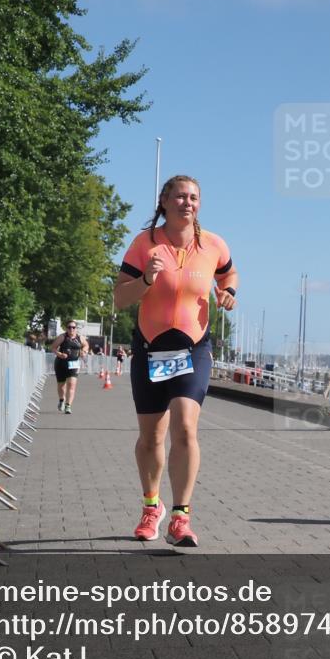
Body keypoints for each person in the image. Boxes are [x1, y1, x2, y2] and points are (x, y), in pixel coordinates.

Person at [114, 175, 238, 547]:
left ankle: (181, 517)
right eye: (181, 196)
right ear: (164, 201)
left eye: (194, 197)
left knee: (185, 427)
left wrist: (228, 291)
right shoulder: (144, 244)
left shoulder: (213, 244)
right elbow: (120, 298)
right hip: (151, 348)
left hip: (194, 348)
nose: (188, 202)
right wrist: (146, 280)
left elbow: (229, 272)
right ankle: (152, 508)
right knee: (151, 437)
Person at [50, 320, 88, 414]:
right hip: (61, 364)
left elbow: (86, 345)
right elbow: (53, 348)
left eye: (73, 327)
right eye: (69, 327)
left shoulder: (80, 338)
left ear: (76, 329)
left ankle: (68, 406)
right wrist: (60, 354)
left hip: (74, 364)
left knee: (72, 385)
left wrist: (84, 351)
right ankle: (62, 400)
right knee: (61, 385)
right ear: (66, 328)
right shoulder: (62, 337)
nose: (71, 329)